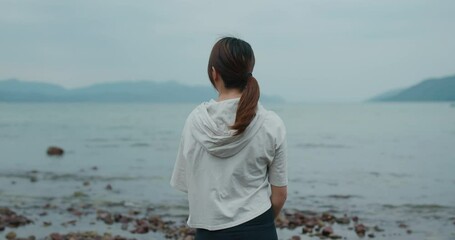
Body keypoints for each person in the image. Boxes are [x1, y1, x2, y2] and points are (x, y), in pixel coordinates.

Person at [170, 37, 288, 240]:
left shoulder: (194, 122)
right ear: (249, 72)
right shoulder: (271, 123)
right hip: (259, 229)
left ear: (214, 73)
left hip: (209, 233)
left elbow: (189, 184)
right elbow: (279, 196)